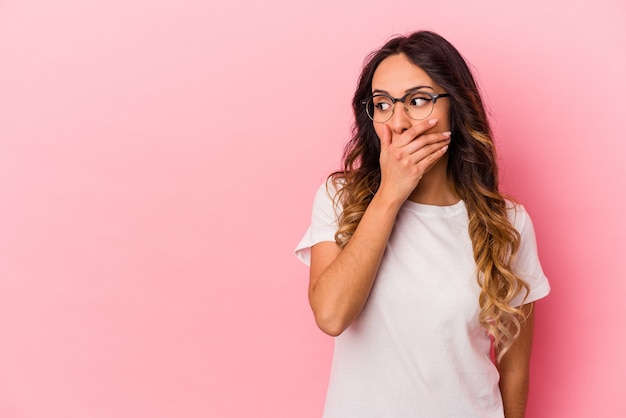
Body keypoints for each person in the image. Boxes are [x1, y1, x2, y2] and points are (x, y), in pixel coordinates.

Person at [295, 31, 550, 418]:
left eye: (417, 101)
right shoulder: (340, 198)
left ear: (455, 108)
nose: (397, 122)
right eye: (382, 104)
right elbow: (331, 315)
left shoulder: (507, 223)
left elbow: (514, 369)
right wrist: (390, 195)